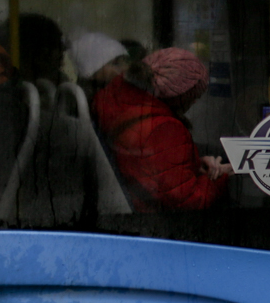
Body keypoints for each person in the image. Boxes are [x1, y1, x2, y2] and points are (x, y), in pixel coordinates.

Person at [92, 47, 231, 211]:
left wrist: (193, 164)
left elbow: (155, 165)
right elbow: (188, 202)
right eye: (194, 97)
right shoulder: (164, 129)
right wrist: (218, 178)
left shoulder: (114, 99)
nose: (193, 103)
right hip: (153, 218)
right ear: (180, 95)